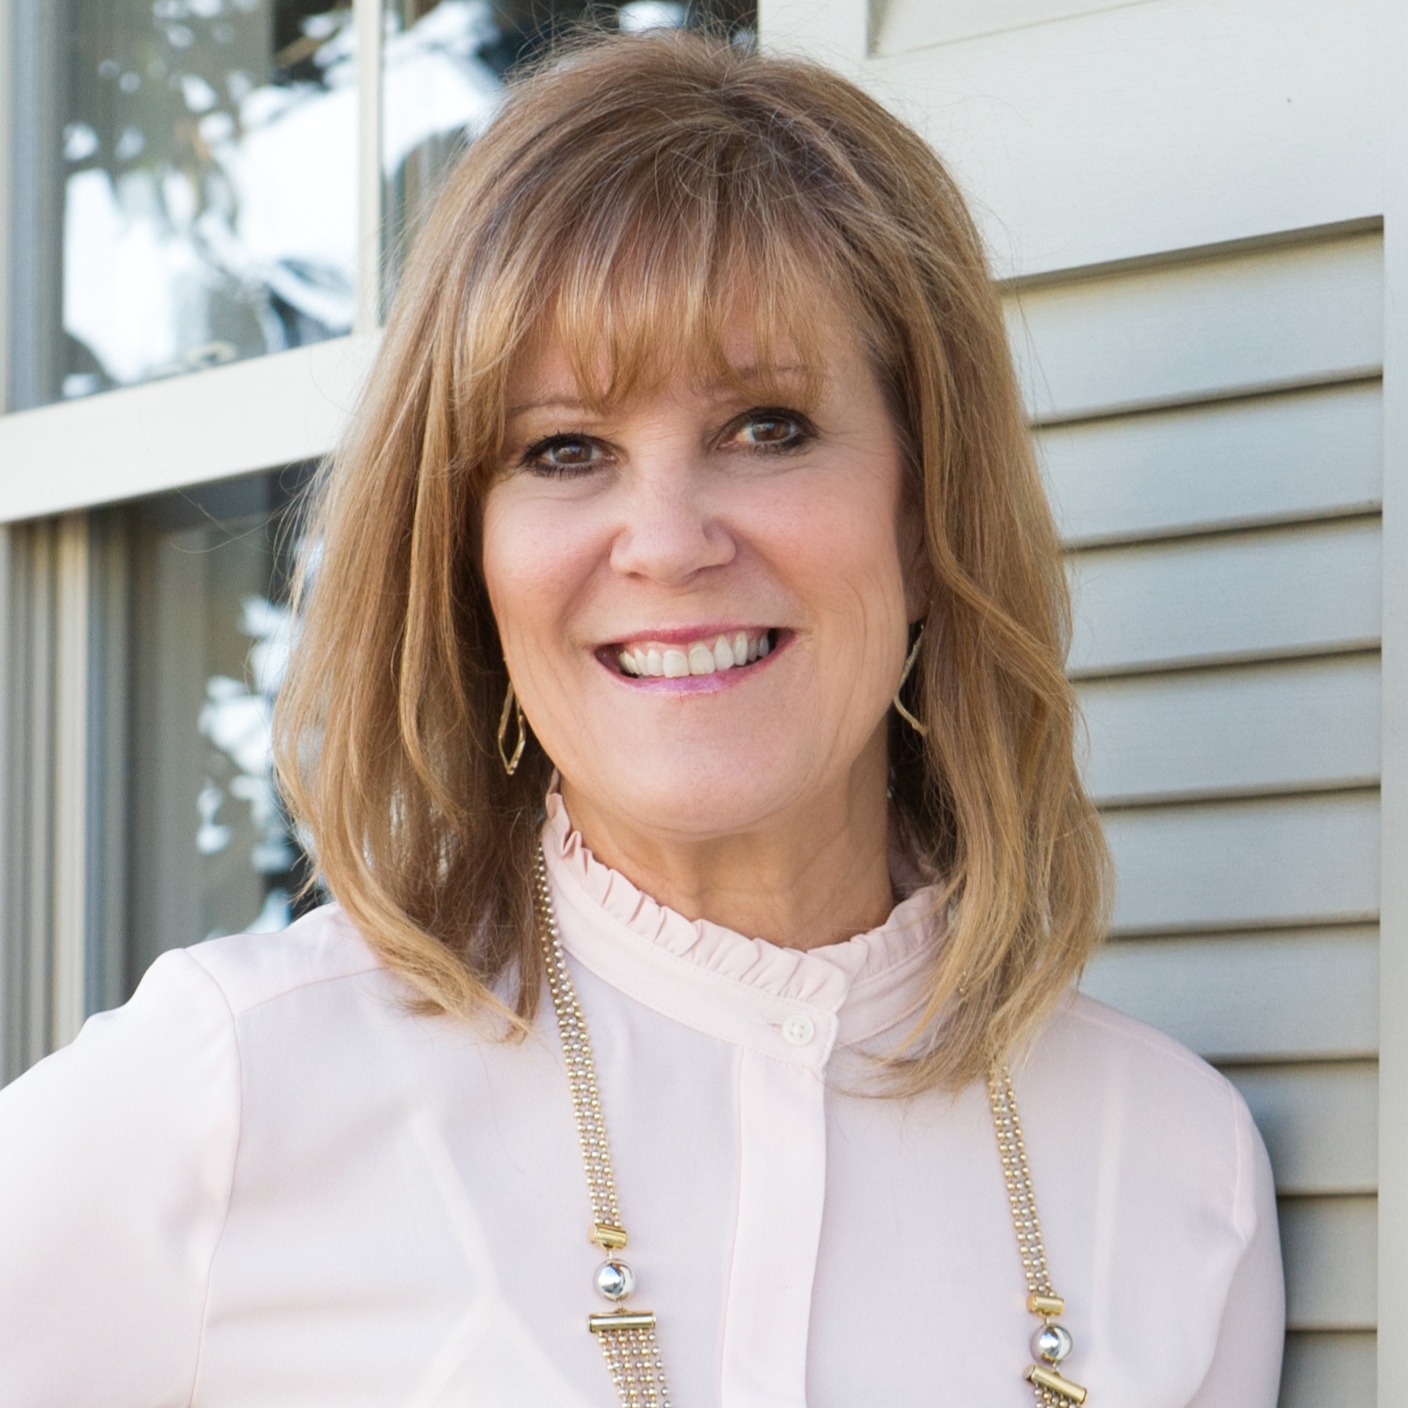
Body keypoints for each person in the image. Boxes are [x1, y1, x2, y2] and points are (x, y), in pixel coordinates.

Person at [0, 28, 1283, 1407]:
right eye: (565, 450)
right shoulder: (233, 1088)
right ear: (469, 558)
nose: (667, 543)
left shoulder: (1174, 1175)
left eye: (768, 427)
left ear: (926, 516)